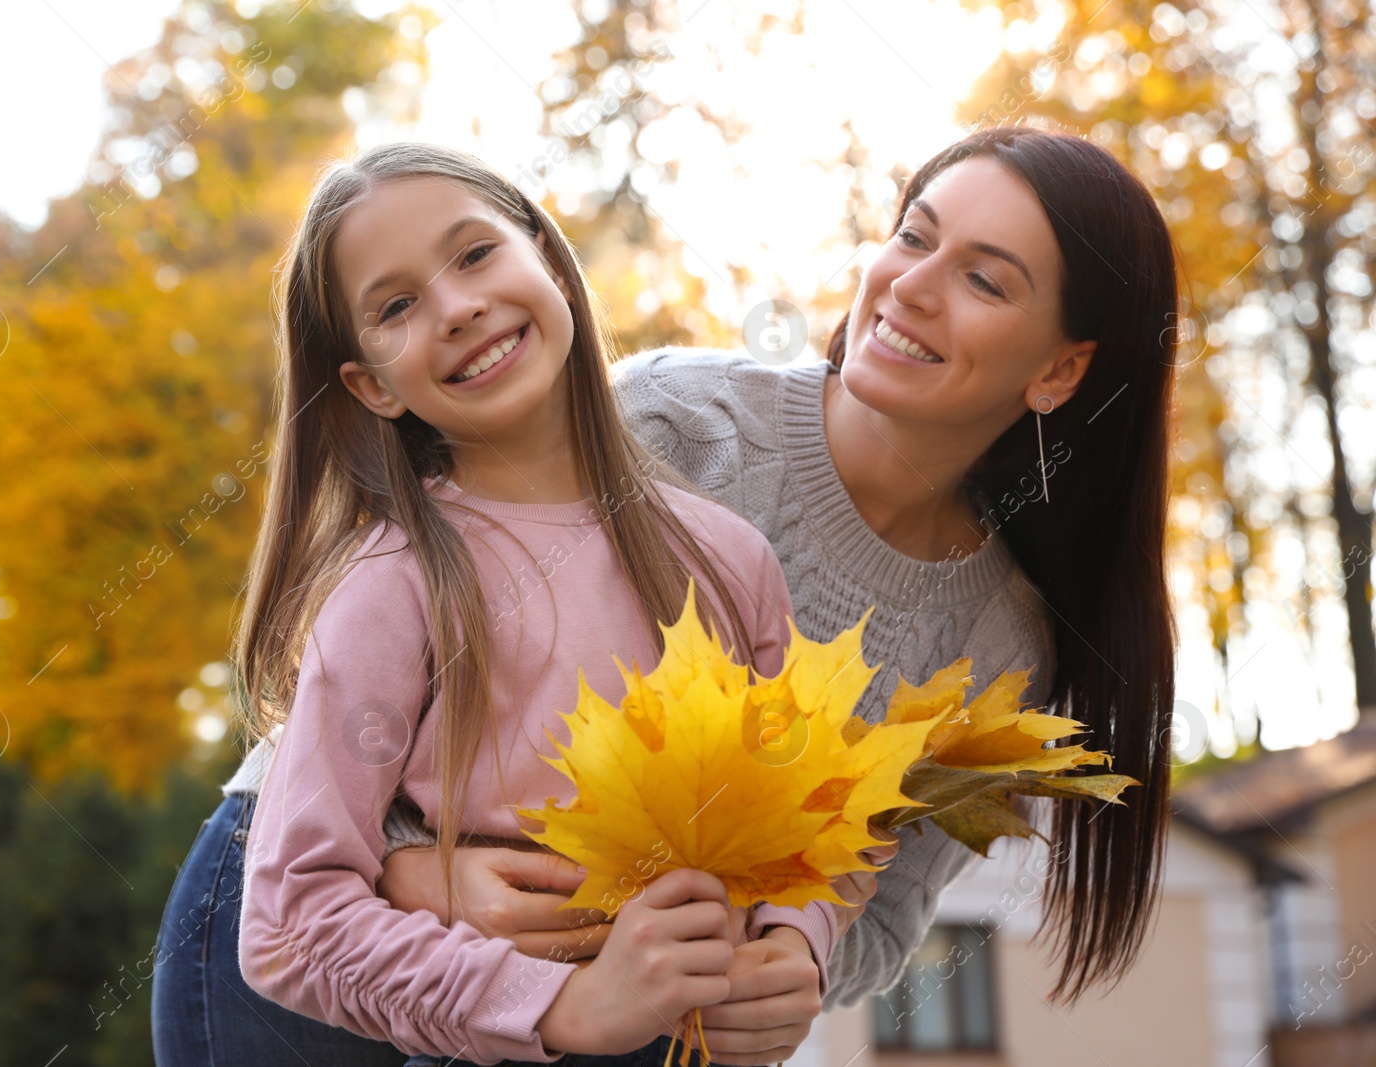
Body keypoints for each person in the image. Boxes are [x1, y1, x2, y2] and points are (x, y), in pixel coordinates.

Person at [153, 124, 1179, 1062]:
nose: (911, 286)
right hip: (315, 921)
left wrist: (794, 963)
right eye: (913, 237)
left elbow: (856, 889)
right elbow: (337, 789)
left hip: (597, 998)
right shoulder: (676, 421)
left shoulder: (995, 642)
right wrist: (416, 872)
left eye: (984, 282)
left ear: (1060, 367)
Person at [154, 141, 844, 1067]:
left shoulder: (727, 561)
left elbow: (808, 814)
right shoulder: (390, 586)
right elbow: (286, 923)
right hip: (475, 1033)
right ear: (371, 386)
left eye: (475, 253)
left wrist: (798, 941)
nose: (458, 306)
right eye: (396, 307)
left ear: (548, 259)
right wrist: (560, 1003)